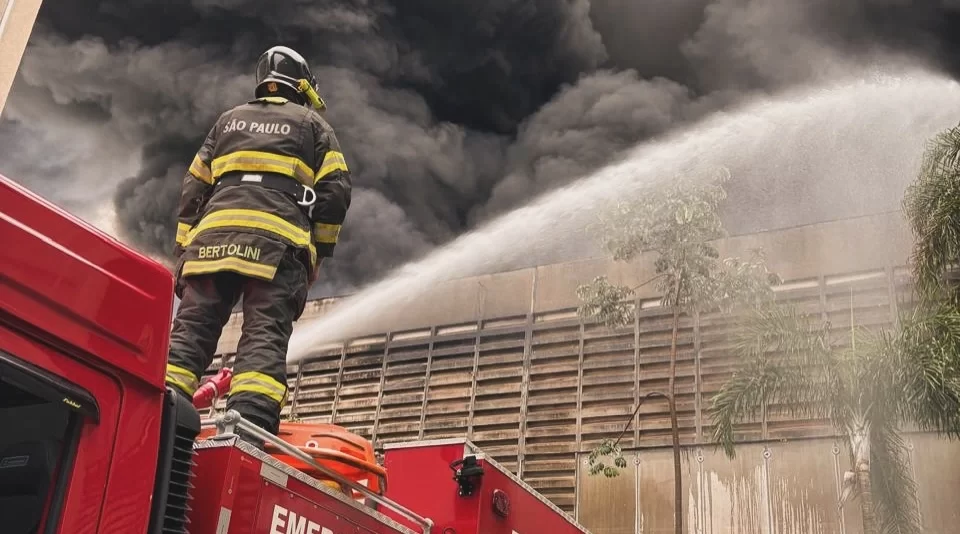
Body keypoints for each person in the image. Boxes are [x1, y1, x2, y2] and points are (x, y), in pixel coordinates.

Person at [163, 45, 352, 447]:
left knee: (191, 332)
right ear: (302, 85)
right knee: (264, 334)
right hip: (275, 247)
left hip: (210, 243)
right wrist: (317, 252)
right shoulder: (312, 126)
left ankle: (161, 410)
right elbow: (335, 191)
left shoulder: (228, 122)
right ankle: (247, 428)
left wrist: (184, 254)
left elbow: (193, 187)